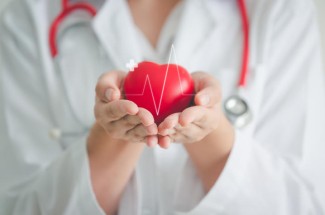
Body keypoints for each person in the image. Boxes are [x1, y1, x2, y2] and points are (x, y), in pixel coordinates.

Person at [1, 0, 325, 214]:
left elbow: (302, 205)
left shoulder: (280, 8)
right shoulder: (29, 14)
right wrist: (111, 133)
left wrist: (212, 133)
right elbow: (18, 206)